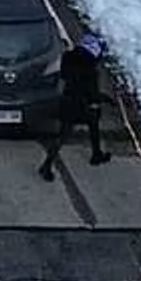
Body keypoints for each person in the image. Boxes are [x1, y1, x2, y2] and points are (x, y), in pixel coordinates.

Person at [37, 32, 111, 178]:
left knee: (63, 134)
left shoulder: (68, 57)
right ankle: (96, 154)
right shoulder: (90, 69)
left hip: (67, 100)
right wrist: (104, 99)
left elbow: (64, 75)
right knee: (93, 123)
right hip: (81, 104)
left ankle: (47, 164)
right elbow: (92, 93)